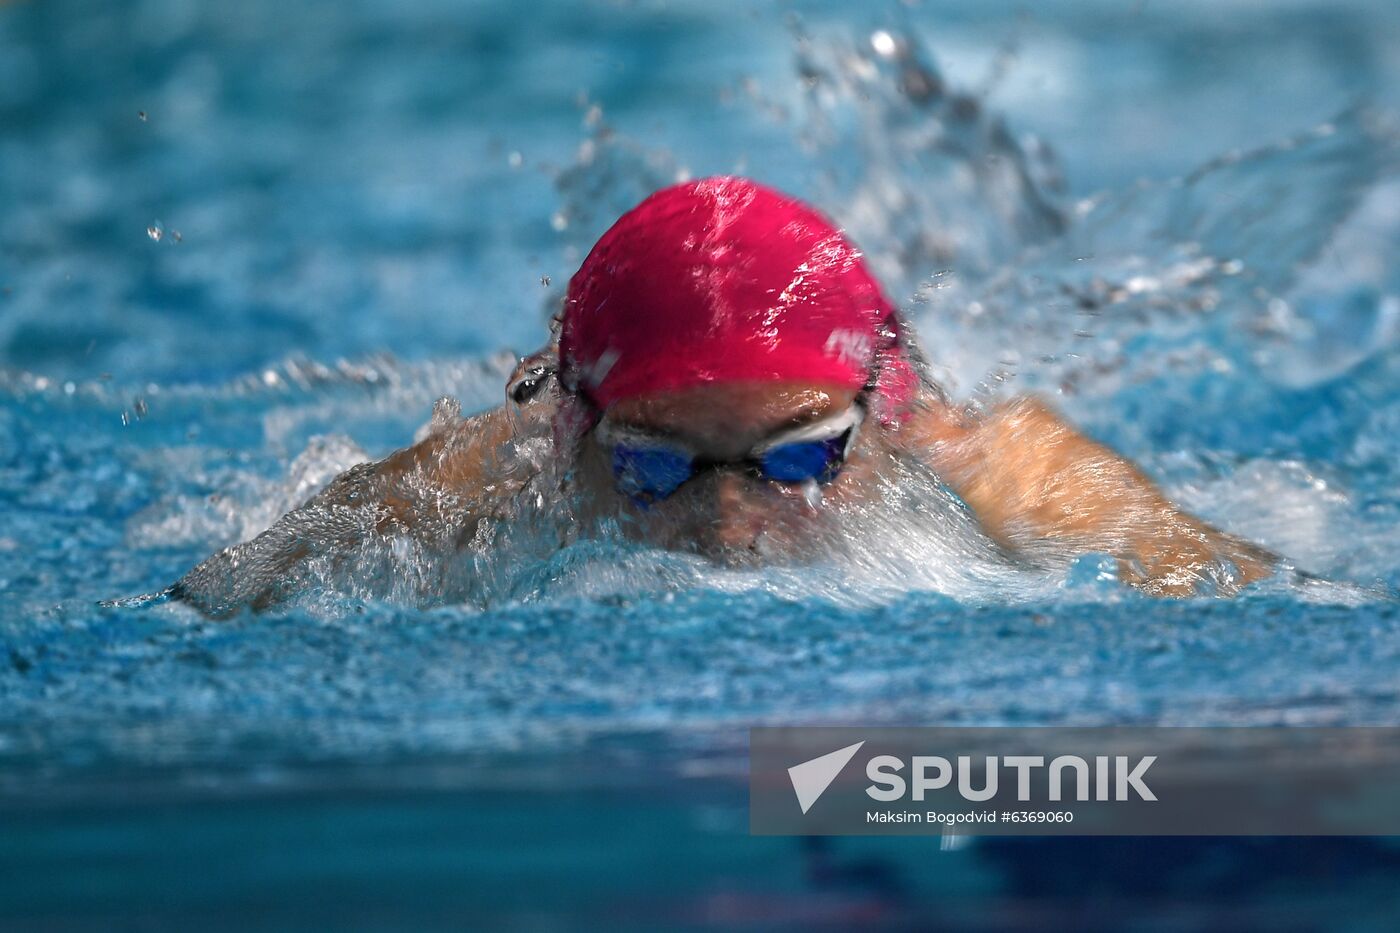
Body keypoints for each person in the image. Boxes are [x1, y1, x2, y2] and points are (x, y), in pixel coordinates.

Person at [171, 176, 1274, 616]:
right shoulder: (467, 487)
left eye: (800, 459)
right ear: (571, 432)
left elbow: (1267, 612)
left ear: (878, 415)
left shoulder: (1010, 474)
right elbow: (191, 613)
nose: (728, 526)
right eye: (653, 466)